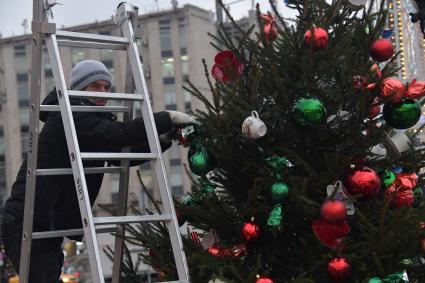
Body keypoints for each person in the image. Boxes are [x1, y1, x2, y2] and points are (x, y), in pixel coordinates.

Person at [1, 60, 197, 282]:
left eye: (106, 87)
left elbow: (123, 154)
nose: (103, 93)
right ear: (79, 88)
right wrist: (166, 118)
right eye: (95, 86)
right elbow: (120, 134)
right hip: (24, 221)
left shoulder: (92, 122)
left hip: (44, 220)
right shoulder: (71, 115)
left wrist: (162, 140)